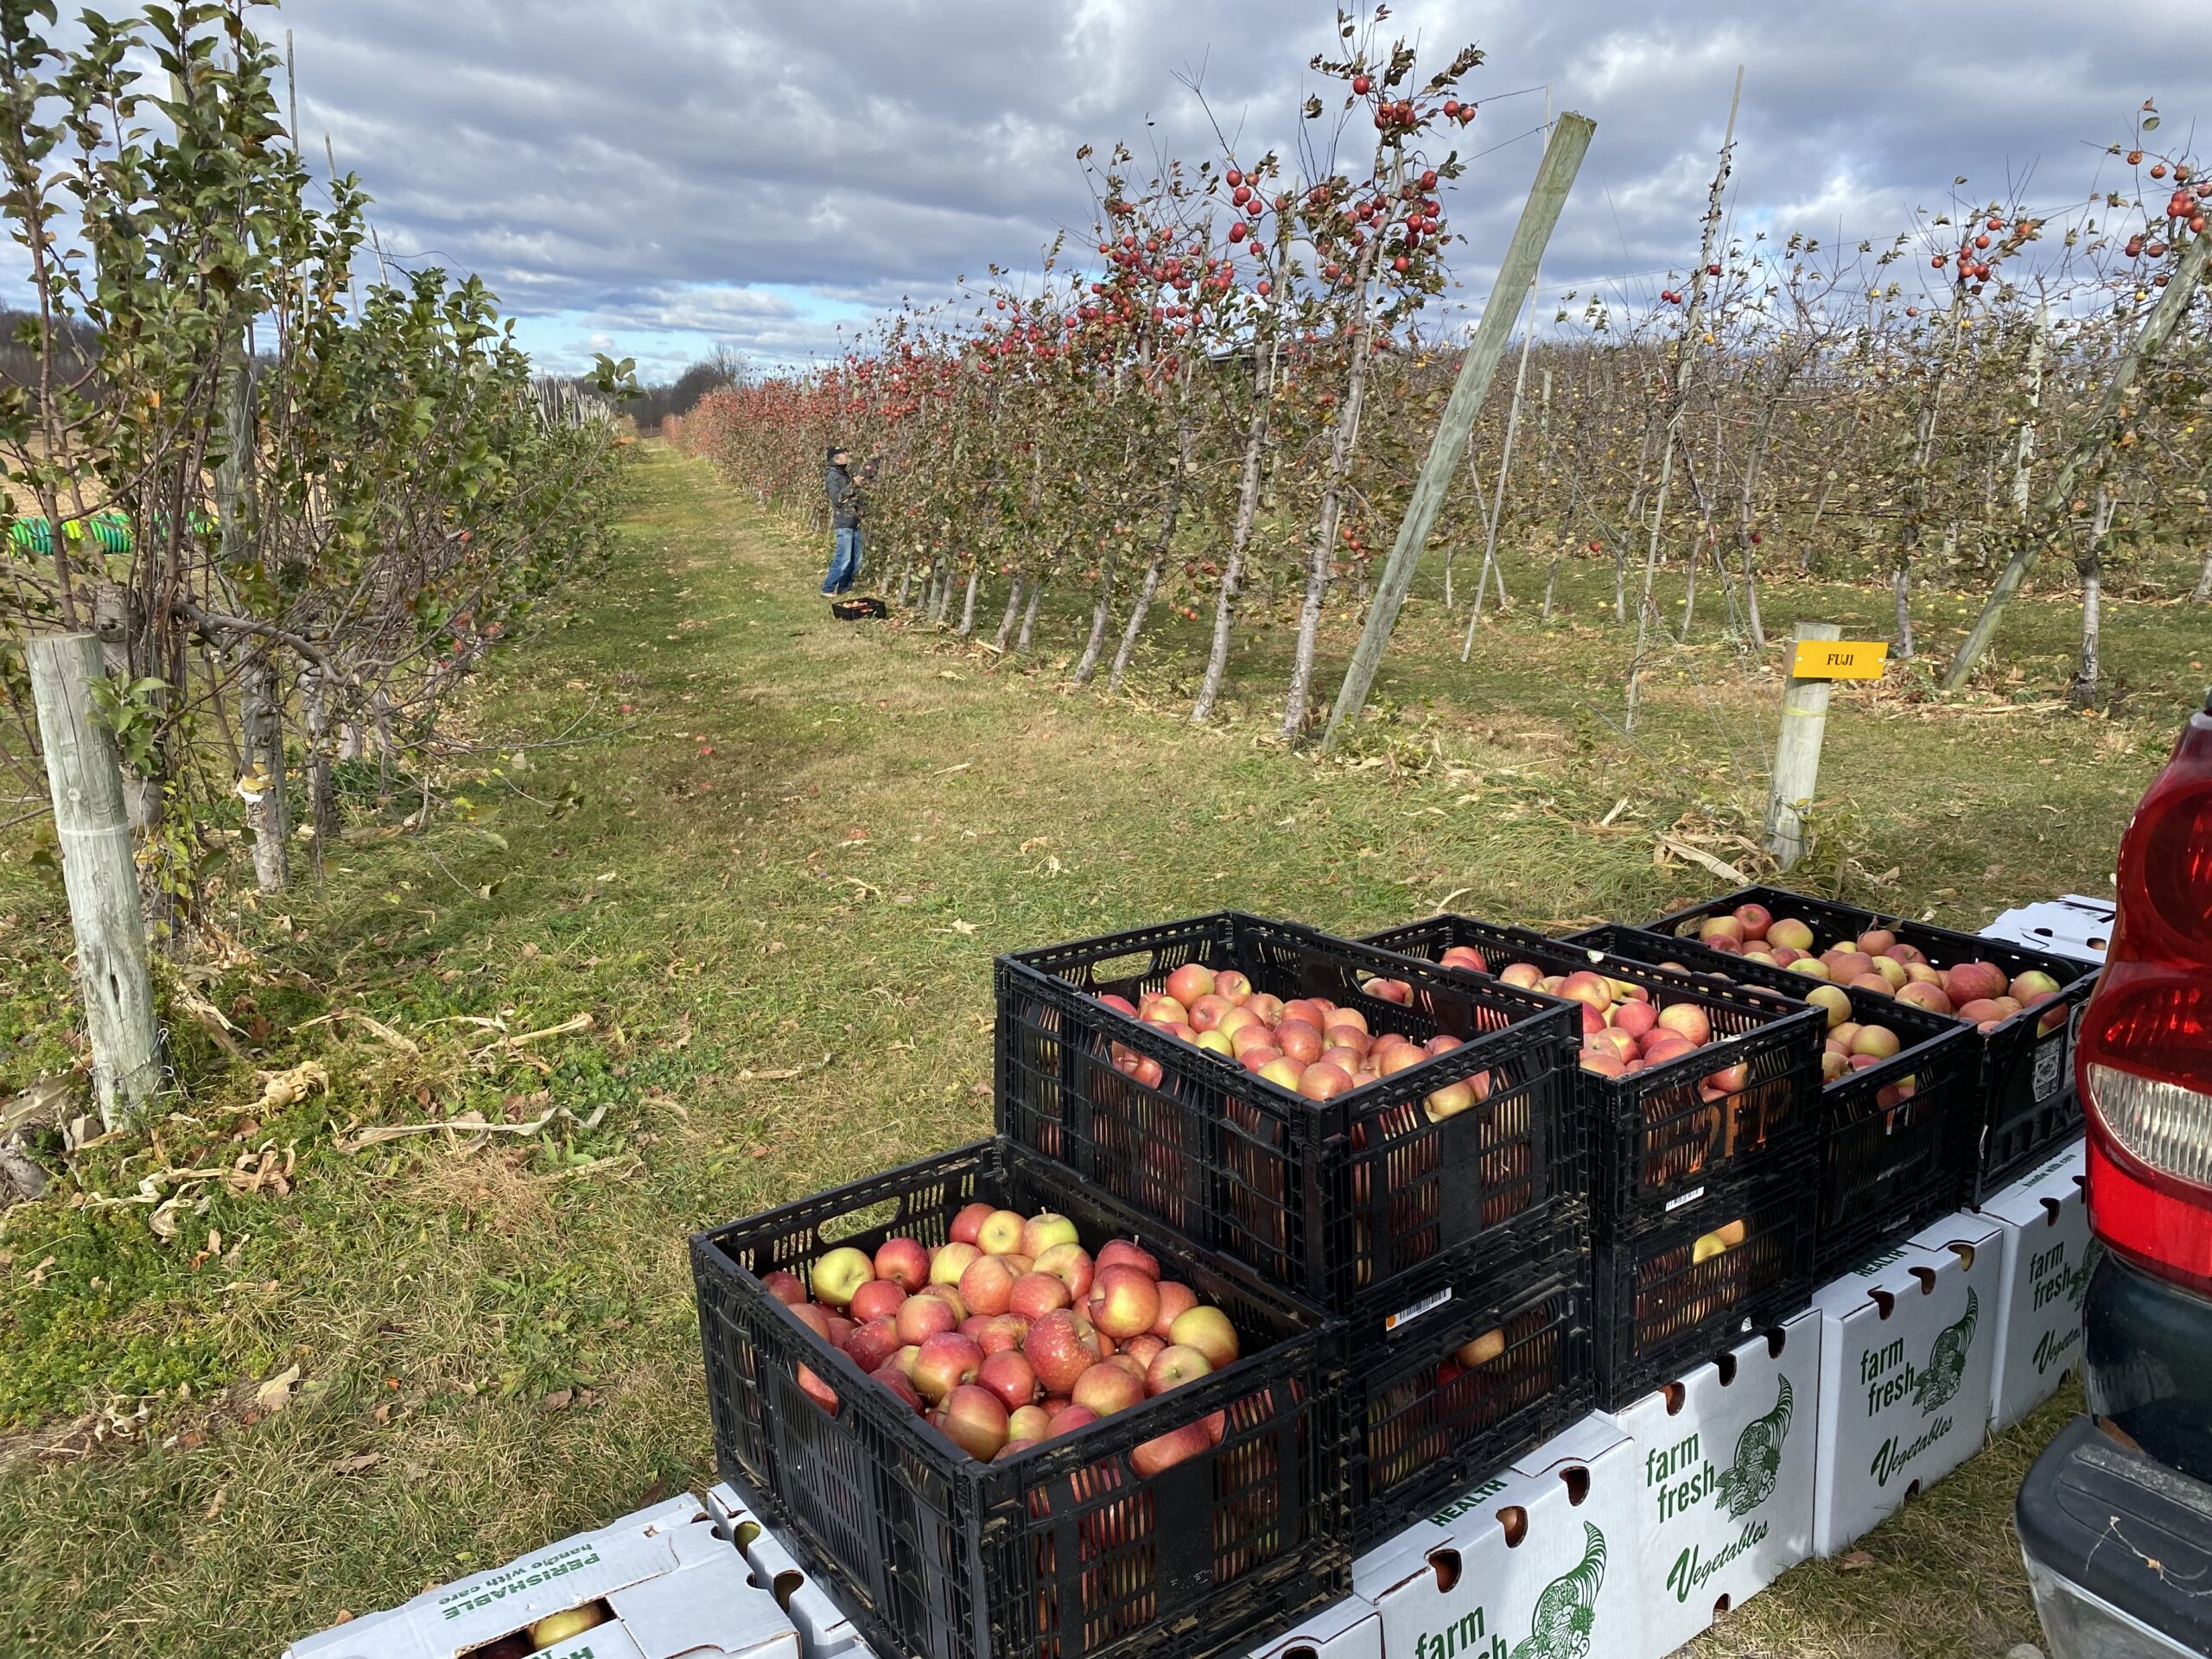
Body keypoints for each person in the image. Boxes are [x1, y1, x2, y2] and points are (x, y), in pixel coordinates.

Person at [823, 445, 863, 597]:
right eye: (843, 453)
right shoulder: (832, 475)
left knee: (856, 559)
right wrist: (853, 485)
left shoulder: (843, 473)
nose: (847, 455)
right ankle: (828, 588)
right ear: (836, 458)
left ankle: (844, 587)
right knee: (843, 558)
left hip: (854, 520)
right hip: (844, 522)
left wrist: (877, 454)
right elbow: (836, 499)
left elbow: (865, 471)